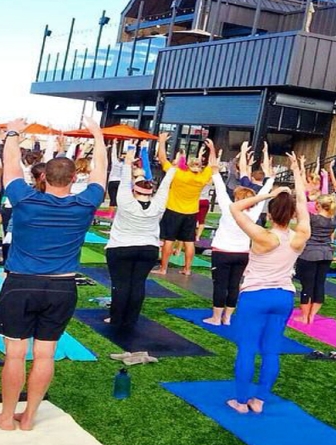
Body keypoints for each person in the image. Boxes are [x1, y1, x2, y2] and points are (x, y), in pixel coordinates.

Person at [0, 116, 106, 431]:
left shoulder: (24, 199)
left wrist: (13, 132)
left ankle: (6, 417)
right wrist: (98, 136)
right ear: (72, 179)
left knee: (15, 355)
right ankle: (28, 419)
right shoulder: (85, 204)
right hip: (61, 289)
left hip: (21, 286)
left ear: (43, 177)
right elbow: (101, 174)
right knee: (45, 354)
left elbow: (10, 163)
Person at [226, 152, 309, 414]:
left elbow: (234, 207)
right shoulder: (300, 235)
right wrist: (297, 174)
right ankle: (259, 400)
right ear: (292, 213)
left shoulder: (263, 235)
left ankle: (240, 401)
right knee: (271, 350)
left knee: (248, 349)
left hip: (256, 296)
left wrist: (268, 194)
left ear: (270, 213)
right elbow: (304, 206)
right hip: (283, 296)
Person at [104, 145, 176, 327]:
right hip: (148, 250)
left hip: (120, 249)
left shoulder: (126, 201)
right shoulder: (158, 204)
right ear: (150, 192)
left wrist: (128, 159)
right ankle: (131, 319)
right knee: (138, 284)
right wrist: (174, 166)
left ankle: (116, 318)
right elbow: (166, 184)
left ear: (134, 190)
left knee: (120, 285)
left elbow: (124, 179)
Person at [203, 140, 273, 326]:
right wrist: (266, 157)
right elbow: (269, 182)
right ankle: (227, 317)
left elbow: (215, 174)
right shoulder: (255, 210)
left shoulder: (229, 207)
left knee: (220, 285)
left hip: (222, 252)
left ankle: (217, 318)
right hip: (242, 253)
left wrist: (212, 149)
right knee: (234, 285)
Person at [154, 133, 213, 276]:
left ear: (188, 165)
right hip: (191, 212)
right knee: (189, 241)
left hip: (173, 210)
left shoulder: (178, 174)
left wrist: (161, 142)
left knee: (168, 239)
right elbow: (212, 165)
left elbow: (162, 159)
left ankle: (163, 268)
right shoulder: (203, 177)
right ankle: (187, 269)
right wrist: (212, 149)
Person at [295, 174, 336, 323]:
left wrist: (300, 180)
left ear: (318, 206)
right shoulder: (334, 220)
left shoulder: (312, 219)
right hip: (326, 254)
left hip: (309, 254)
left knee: (307, 285)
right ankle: (311, 315)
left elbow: (300, 203)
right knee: (319, 284)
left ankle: (305, 316)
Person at [106, 140, 125, 212]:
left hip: (112, 181)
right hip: (120, 182)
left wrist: (114, 144)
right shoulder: (125, 165)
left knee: (112, 198)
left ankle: (110, 213)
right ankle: (117, 213)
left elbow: (113, 154)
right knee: (118, 198)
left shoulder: (115, 163)